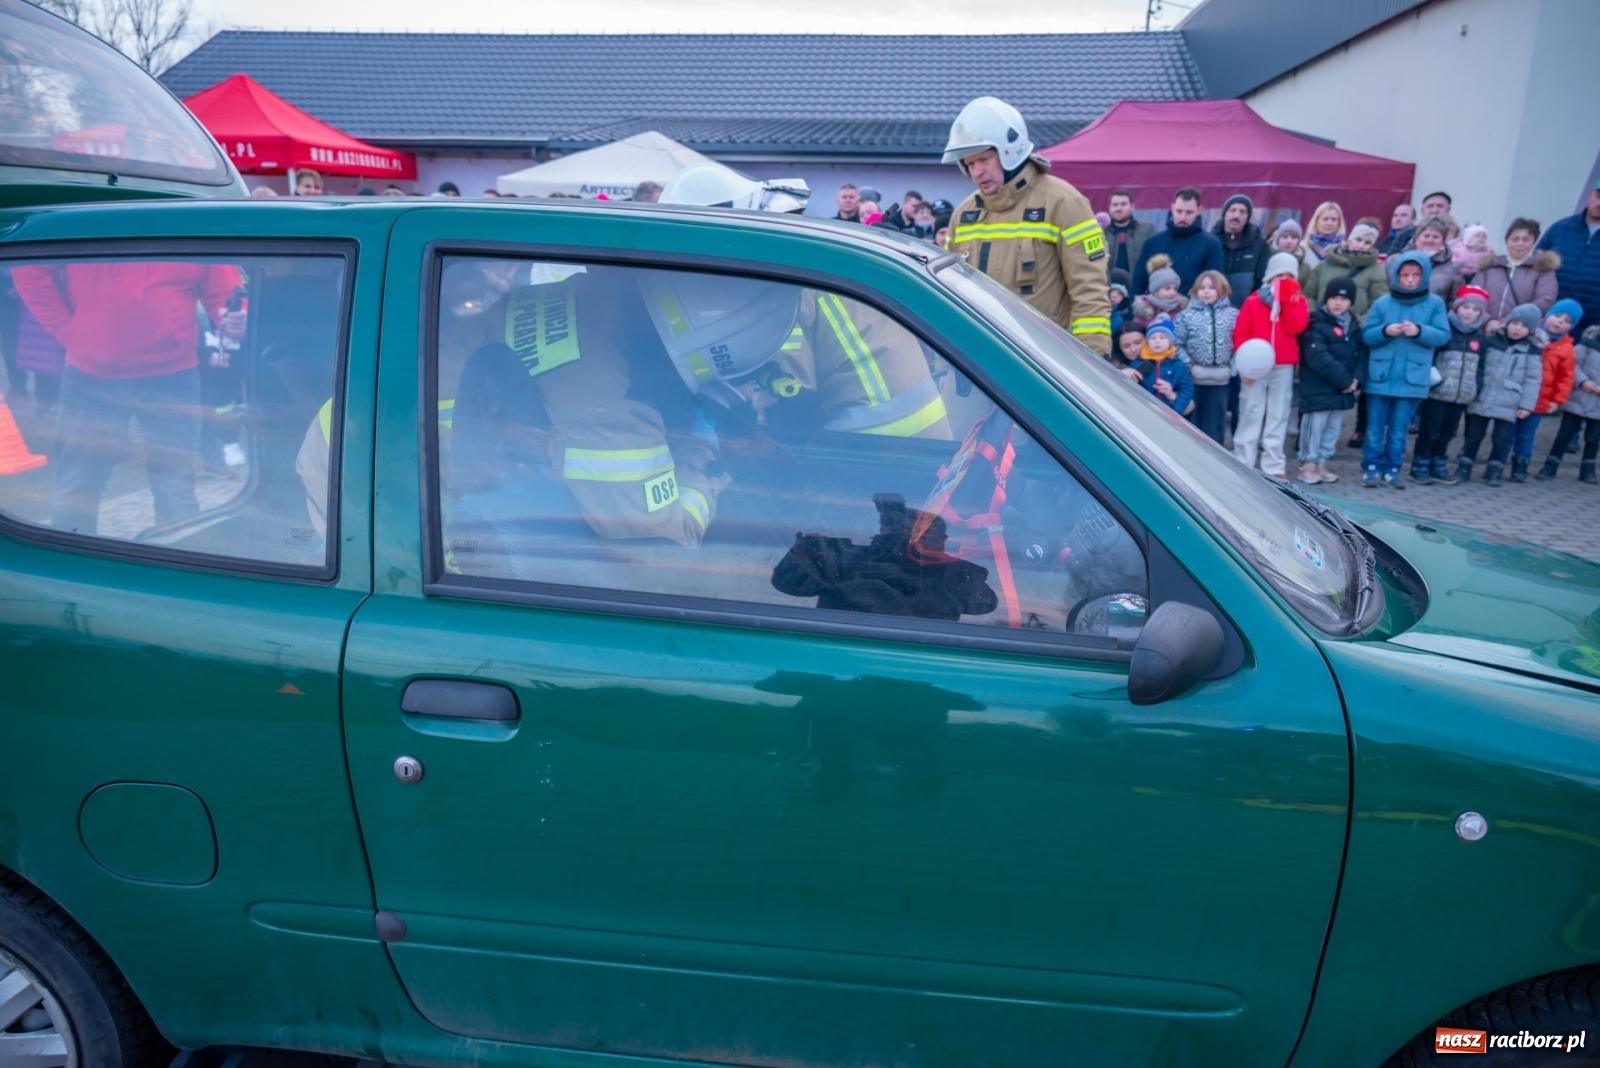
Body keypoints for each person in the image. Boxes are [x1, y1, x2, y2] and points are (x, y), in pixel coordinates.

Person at [449, 168, 952, 550]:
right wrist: (705, 461)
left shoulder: (605, 295)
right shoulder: (607, 403)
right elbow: (659, 532)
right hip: (456, 511)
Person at [12, 260, 247, 534]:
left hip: (173, 374)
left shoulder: (189, 220)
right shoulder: (85, 217)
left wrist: (234, 320)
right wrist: (68, 331)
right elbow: (30, 271)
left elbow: (224, 290)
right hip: (90, 376)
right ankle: (69, 563)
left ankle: (178, 561)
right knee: (79, 480)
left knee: (175, 481)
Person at [942, 96, 1112, 355]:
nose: (976, 171)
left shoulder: (1064, 203)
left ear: (1010, 151)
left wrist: (1092, 360)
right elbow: (947, 288)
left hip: (1045, 362)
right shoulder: (964, 214)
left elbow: (1089, 292)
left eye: (984, 159)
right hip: (977, 358)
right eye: (970, 163)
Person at [1358, 251, 1448, 488]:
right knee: (1374, 428)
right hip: (1380, 377)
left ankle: (1392, 469)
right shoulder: (1382, 303)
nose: (1409, 279)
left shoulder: (1435, 304)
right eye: (1405, 274)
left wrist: (1419, 331)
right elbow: (1367, 335)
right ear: (1397, 276)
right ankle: (1371, 467)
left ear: (1424, 276)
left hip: (1412, 380)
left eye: (1415, 275)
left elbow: (1443, 335)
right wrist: (1384, 331)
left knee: (1399, 431)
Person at [1232, 252, 1309, 477]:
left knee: (1278, 413)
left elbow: (1296, 327)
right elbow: (1241, 333)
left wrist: (1287, 303)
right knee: (1251, 410)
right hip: (1256, 364)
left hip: (1282, 364)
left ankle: (1273, 463)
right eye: (1280, 275)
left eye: (1289, 275)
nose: (1284, 279)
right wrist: (1245, 362)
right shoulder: (1254, 300)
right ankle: (1243, 459)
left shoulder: (1298, 300)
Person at [1411, 285, 1489, 484]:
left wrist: (1475, 387)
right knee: (1430, 430)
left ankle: (1438, 462)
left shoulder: (1480, 337)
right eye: (1466, 307)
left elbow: (1481, 367)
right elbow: (1431, 357)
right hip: (1438, 393)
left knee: (1448, 431)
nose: (1469, 312)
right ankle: (1420, 463)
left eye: (1475, 309)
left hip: (1461, 395)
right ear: (1457, 308)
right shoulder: (1444, 330)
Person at [1459, 303, 1543, 485]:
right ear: (1507, 323)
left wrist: (1526, 405)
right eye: (1514, 323)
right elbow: (1478, 366)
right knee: (1474, 434)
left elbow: (1532, 380)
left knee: (1502, 438)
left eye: (1523, 325)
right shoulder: (1490, 341)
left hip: (1509, 400)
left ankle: (1495, 469)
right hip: (1482, 395)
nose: (1517, 328)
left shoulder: (1532, 351)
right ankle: (1464, 466)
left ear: (1530, 330)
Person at [1296, 276, 1363, 484]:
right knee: (1313, 428)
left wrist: (1357, 380)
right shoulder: (1315, 323)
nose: (1338, 303)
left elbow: (1361, 355)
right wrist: (1345, 381)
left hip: (1342, 391)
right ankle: (1308, 464)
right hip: (1319, 388)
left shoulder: (1353, 326)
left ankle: (1322, 463)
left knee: (1332, 428)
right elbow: (1318, 357)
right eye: (1333, 298)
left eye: (1343, 299)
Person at [1513, 299, 1581, 480]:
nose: (1560, 322)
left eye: (1567, 321)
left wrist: (1557, 401)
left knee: (1526, 436)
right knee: (1507, 433)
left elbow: (1565, 378)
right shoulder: (1529, 335)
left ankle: (1520, 467)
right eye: (1558, 316)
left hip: (1540, 400)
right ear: (1547, 316)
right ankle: (1496, 463)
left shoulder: (1566, 349)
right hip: (1515, 395)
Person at [1173, 269, 1237, 445]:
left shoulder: (1232, 315)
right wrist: (1190, 366)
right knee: (1195, 420)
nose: (1206, 291)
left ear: (1222, 289)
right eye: (1202, 288)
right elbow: (1177, 343)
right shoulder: (1186, 316)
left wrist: (1233, 367)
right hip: (1195, 377)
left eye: (1211, 287)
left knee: (1216, 420)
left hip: (1221, 378)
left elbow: (1239, 343)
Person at [1131, 187, 1225, 298]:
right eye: (1179, 211)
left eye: (1189, 212)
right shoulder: (1152, 242)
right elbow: (1139, 283)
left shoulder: (1211, 244)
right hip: (1156, 311)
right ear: (1172, 208)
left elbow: (1216, 284)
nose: (1183, 217)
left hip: (1195, 311)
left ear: (1199, 211)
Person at [1536, 324, 1600, 483]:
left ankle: (1588, 469)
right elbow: (1573, 365)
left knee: (1593, 437)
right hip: (1579, 397)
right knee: (1565, 433)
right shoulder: (1587, 344)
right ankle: (1551, 465)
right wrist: (1583, 381)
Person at [1473, 218, 1561, 331]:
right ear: (1507, 241)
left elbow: (1544, 300)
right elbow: (1473, 296)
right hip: (1484, 329)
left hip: (1520, 331)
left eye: (1526, 239)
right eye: (1515, 239)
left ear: (1534, 242)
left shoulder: (1543, 269)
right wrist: (1487, 321)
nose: (1520, 243)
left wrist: (1511, 322)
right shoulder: (1490, 266)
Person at [1536, 181, 1600, 334]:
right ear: (1590, 196)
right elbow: (1536, 266)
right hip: (1551, 323)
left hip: (1592, 329)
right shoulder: (1561, 228)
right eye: (1598, 196)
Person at [1302, 222, 1388, 319]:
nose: (1360, 245)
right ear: (1350, 239)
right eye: (1358, 239)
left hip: (1353, 330)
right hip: (1320, 325)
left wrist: (1358, 323)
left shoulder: (1375, 270)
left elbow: (1379, 304)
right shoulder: (1324, 265)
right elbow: (1308, 296)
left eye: (1367, 243)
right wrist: (1314, 317)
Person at [1120, 317, 1193, 414]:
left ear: (1170, 342)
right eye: (1152, 338)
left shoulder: (1178, 366)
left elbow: (1187, 390)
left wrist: (1175, 410)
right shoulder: (1138, 364)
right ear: (1147, 342)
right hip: (1144, 412)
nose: (1157, 341)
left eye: (1162, 337)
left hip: (1169, 413)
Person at [1213, 193, 1269, 307]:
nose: (1236, 215)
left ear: (1248, 217)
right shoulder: (1211, 242)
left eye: (1242, 212)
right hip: (1213, 310)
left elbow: (1262, 281)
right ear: (1225, 214)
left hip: (1245, 311)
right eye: (1232, 210)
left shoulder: (1259, 245)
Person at [1410, 216, 1463, 300]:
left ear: (1443, 241)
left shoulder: (1453, 269)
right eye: (1426, 236)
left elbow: (1455, 301)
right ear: (1416, 237)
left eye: (1436, 237)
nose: (1430, 240)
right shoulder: (1395, 260)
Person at [1105, 187, 1154, 278]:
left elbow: (1155, 259)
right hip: (1109, 287)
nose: (1119, 208)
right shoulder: (1101, 233)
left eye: (1123, 204)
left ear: (1132, 207)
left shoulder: (1147, 230)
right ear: (1109, 208)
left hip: (1139, 286)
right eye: (1115, 205)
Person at [1130, 255, 1187, 328]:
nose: (1172, 292)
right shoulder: (1144, 310)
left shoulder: (1180, 309)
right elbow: (1136, 333)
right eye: (1167, 288)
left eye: (1175, 288)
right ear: (1155, 290)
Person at [1298, 201, 1346, 275]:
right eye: (1325, 219)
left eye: (1334, 219)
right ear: (1316, 221)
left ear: (1339, 223)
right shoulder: (1302, 247)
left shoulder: (1345, 249)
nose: (1329, 223)